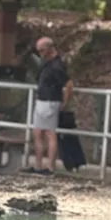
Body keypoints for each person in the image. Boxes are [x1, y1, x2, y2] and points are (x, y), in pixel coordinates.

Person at [30, 36, 72, 173]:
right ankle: (38, 165)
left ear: (50, 48)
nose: (40, 53)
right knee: (38, 132)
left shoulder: (56, 65)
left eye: (42, 50)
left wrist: (64, 102)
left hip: (50, 101)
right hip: (42, 100)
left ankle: (50, 166)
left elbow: (69, 84)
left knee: (50, 133)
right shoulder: (47, 64)